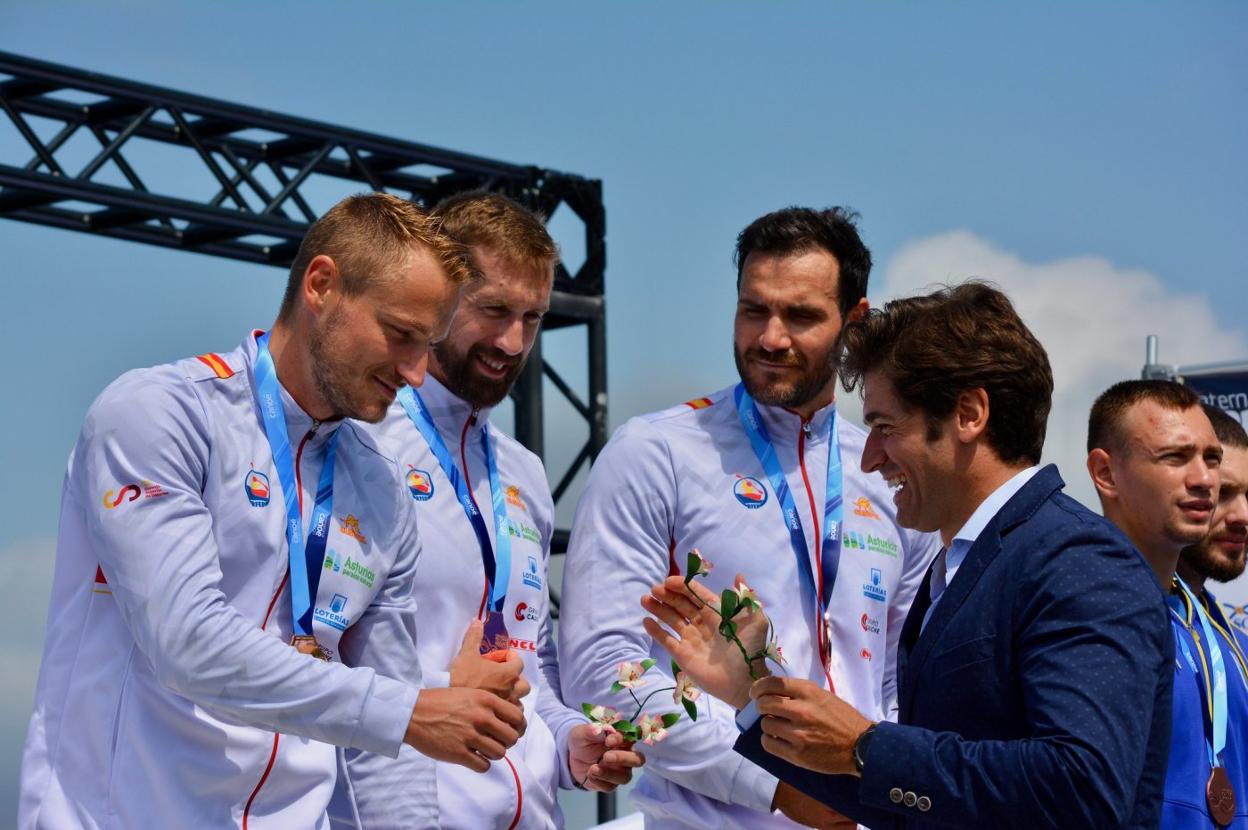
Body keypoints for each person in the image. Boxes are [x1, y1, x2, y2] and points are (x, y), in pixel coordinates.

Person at [19, 192, 526, 829]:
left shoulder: (383, 487)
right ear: (321, 286)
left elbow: (386, 757)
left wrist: (403, 727)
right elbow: (187, 645)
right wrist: (406, 712)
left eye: (428, 344)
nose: (417, 373)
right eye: (400, 335)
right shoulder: (162, 414)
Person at [646, 282, 1175, 829]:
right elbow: (904, 802)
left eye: (885, 427)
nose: (870, 459)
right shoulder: (958, 569)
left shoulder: (1079, 559)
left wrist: (866, 746)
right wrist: (752, 693)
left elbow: (1081, 787)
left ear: (969, 414)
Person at [560, 206, 940, 829]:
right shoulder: (655, 452)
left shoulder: (886, 467)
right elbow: (604, 667)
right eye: (753, 309)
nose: (770, 338)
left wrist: (876, 779)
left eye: (801, 316)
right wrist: (777, 787)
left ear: (856, 321)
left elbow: (907, 678)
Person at [339, 191, 643, 829]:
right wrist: (441, 700)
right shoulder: (361, 444)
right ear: (441, 295)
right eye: (494, 310)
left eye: (531, 318)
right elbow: (312, 664)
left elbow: (527, 662)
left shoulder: (522, 471)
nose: (512, 341)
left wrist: (566, 745)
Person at [1088, 386, 1246, 828]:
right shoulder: (1076, 606)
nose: (1204, 481)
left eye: (1211, 460)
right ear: (1106, 473)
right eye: (1177, 458)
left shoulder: (1228, 640)